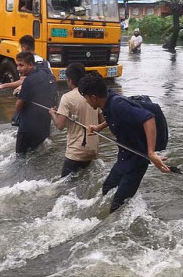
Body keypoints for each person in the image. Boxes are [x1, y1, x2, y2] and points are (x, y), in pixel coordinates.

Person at [78, 72, 170, 212]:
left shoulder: (117, 105)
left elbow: (148, 118)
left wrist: (151, 153)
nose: (86, 101)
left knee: (118, 205)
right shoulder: (108, 101)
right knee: (107, 188)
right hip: (124, 156)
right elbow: (116, 117)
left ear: (93, 97)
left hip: (137, 159)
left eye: (85, 98)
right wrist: (99, 127)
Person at [49, 63, 102, 177]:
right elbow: (102, 120)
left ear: (70, 80)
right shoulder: (93, 95)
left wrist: (52, 114)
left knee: (63, 185)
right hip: (93, 149)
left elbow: (59, 125)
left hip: (76, 151)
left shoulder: (67, 97)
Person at [13, 51, 57, 156]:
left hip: (28, 128)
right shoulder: (45, 74)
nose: (18, 68)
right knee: (36, 154)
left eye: (21, 65)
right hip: (43, 126)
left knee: (20, 157)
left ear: (31, 64)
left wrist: (19, 94)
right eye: (17, 65)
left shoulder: (28, 81)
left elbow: (18, 106)